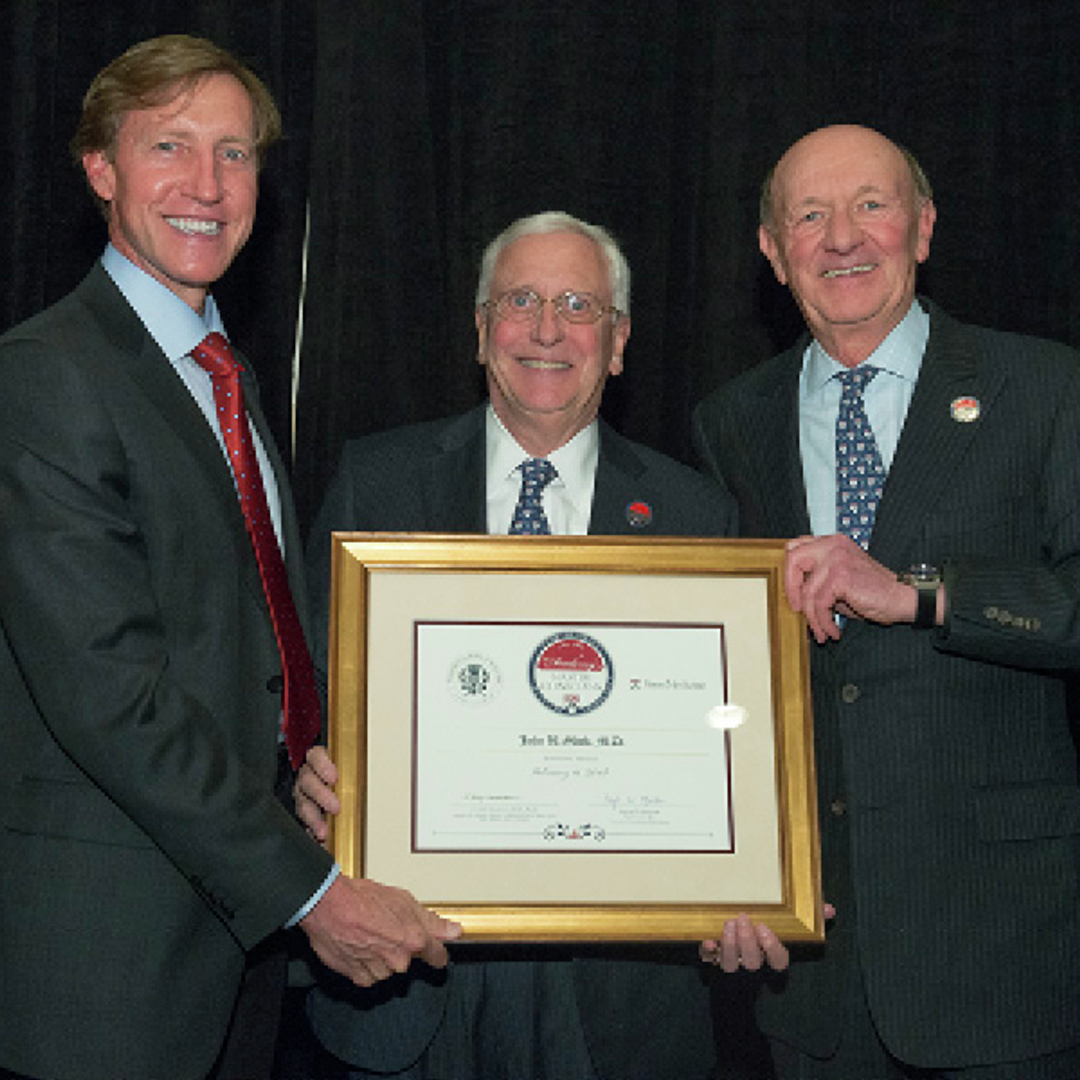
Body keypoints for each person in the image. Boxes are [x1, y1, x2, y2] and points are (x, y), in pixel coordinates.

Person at [0, 35, 456, 1080]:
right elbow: (109, 693)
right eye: (170, 147)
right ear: (101, 170)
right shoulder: (45, 378)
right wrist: (313, 892)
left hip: (233, 958)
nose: (207, 185)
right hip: (107, 970)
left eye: (236, 153)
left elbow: (250, 644)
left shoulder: (226, 375)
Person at [295, 211, 785, 1080]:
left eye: (578, 305)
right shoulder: (379, 481)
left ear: (620, 340)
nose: (548, 329)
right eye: (521, 300)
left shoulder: (694, 517)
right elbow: (304, 694)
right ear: (482, 331)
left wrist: (747, 874)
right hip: (408, 975)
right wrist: (306, 776)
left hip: (616, 995)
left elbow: (724, 746)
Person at [693, 124, 1080, 1078]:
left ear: (924, 227)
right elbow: (721, 677)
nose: (842, 238)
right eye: (809, 216)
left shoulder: (1044, 386)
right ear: (773, 253)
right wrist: (717, 867)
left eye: (871, 205)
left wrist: (918, 595)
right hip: (818, 964)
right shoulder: (730, 421)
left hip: (1001, 947)